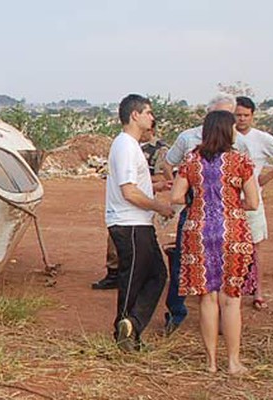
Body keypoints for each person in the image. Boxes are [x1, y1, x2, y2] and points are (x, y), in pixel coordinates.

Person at [170, 110, 259, 374]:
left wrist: (199, 203)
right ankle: (233, 362)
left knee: (206, 299)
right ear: (228, 130)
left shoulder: (191, 160)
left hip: (198, 231)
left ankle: (210, 362)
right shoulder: (240, 161)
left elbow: (176, 196)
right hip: (232, 230)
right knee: (231, 298)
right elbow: (253, 202)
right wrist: (231, 205)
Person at [161, 93, 238, 335]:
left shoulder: (237, 145)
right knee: (185, 264)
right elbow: (168, 163)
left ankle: (224, 319)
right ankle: (177, 312)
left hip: (213, 215)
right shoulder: (188, 139)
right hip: (204, 213)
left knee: (221, 272)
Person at [106, 94, 174, 351]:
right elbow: (129, 192)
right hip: (130, 223)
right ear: (135, 115)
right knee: (133, 278)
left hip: (137, 223)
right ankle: (125, 331)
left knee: (157, 275)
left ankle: (131, 324)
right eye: (148, 112)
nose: (151, 117)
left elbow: (135, 186)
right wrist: (161, 207)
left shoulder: (130, 145)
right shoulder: (125, 145)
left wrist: (156, 185)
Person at [234, 96, 273, 310]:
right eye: (238, 115)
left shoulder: (262, 138)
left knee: (255, 247)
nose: (241, 119)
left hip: (251, 201)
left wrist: (267, 177)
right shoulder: (225, 137)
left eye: (245, 115)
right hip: (228, 202)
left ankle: (257, 291)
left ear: (252, 116)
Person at [92, 122, 169, 290]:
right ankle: (115, 276)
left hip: (138, 208)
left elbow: (159, 176)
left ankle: (130, 311)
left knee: (143, 270)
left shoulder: (158, 149)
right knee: (136, 264)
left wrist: (150, 186)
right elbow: (128, 189)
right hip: (130, 209)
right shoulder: (127, 145)